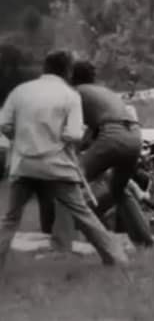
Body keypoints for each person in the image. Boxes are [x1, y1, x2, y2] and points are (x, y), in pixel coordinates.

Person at [0, 50, 128, 270]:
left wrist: (23, 139)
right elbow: (74, 135)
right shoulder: (70, 96)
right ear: (68, 71)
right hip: (56, 166)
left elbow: (5, 125)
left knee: (10, 219)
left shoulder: (20, 92)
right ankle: (116, 259)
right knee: (83, 214)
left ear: (45, 67)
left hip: (23, 165)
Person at [49, 60, 154, 248]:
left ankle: (61, 247)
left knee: (66, 182)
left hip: (112, 135)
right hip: (134, 136)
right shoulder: (103, 92)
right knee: (118, 190)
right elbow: (94, 130)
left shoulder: (76, 93)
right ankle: (145, 243)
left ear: (71, 77)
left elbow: (74, 131)